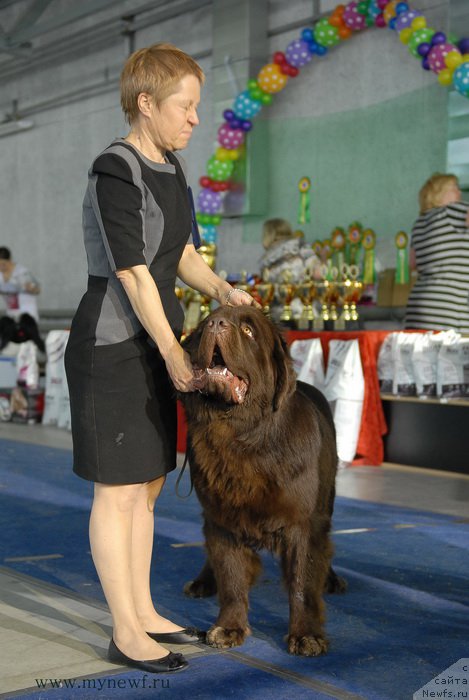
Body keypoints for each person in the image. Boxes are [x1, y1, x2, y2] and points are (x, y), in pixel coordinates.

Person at [64, 43, 258, 675]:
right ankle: (125, 631)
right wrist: (175, 354)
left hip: (157, 345)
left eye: (198, 107)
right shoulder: (114, 169)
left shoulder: (172, 169)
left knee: (147, 487)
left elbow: (180, 257)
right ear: (145, 103)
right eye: (186, 105)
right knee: (118, 492)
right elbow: (135, 274)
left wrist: (226, 292)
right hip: (115, 347)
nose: (196, 118)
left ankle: (145, 611)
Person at [404, 173, 469, 333]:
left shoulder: (418, 223)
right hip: (449, 310)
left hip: (418, 309)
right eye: (455, 188)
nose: (459, 193)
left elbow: (412, 264)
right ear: (439, 193)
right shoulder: (452, 211)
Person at [259, 218, 320, 284]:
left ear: (268, 235)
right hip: (306, 291)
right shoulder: (302, 246)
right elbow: (318, 273)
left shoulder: (267, 258)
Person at [0, 247, 40, 321]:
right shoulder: (0, 275)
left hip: (27, 313)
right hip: (11, 313)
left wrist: (31, 288)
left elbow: (37, 290)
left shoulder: (22, 273)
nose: (1, 267)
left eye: (3, 264)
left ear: (10, 260)